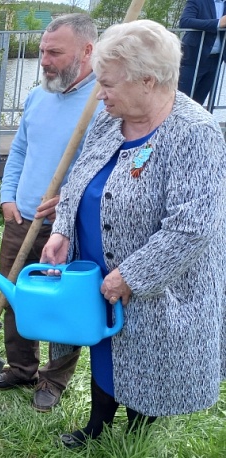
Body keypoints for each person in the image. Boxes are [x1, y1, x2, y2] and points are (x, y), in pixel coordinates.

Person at [40, 20, 226, 448]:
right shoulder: (111, 120)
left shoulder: (194, 134)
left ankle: (136, 438)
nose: (99, 92)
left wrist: (133, 275)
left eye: (108, 83)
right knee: (107, 349)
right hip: (99, 271)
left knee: (148, 360)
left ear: (148, 80)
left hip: (158, 285)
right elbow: (79, 178)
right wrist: (64, 230)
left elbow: (192, 225)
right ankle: (98, 426)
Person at [0, 14, 101, 412]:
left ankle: (54, 379)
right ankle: (21, 366)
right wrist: (8, 197)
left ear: (87, 51)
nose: (44, 60)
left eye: (55, 52)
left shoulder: (101, 104)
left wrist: (72, 194)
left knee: (60, 302)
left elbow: (107, 167)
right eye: (42, 51)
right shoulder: (38, 96)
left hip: (66, 225)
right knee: (14, 294)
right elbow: (20, 149)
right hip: (21, 216)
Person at [178, 0, 226, 105]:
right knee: (182, 98)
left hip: (216, 60)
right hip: (193, 57)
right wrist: (217, 23)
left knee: (199, 101)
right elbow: (184, 21)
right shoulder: (198, 1)